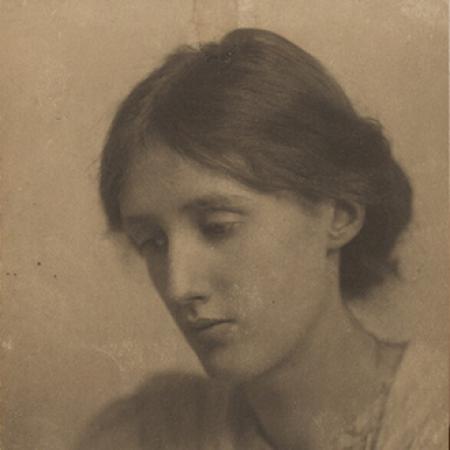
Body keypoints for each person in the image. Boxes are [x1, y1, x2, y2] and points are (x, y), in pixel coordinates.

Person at [77, 28, 447, 449]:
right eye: (153, 242)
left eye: (218, 227)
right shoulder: (149, 432)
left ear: (339, 215)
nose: (179, 286)